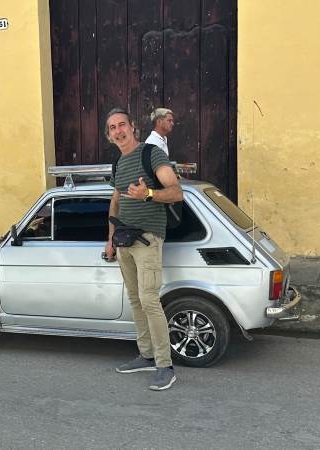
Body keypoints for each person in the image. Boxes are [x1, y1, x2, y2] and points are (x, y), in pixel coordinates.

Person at [104, 107, 183, 391]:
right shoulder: (118, 163)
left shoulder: (151, 153)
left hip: (148, 239)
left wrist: (147, 193)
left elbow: (176, 192)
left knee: (149, 300)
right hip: (124, 241)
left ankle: (165, 366)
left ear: (133, 126)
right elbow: (115, 203)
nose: (118, 131)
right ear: (109, 135)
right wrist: (110, 239)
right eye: (112, 128)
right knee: (135, 300)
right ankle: (147, 355)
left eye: (122, 125)